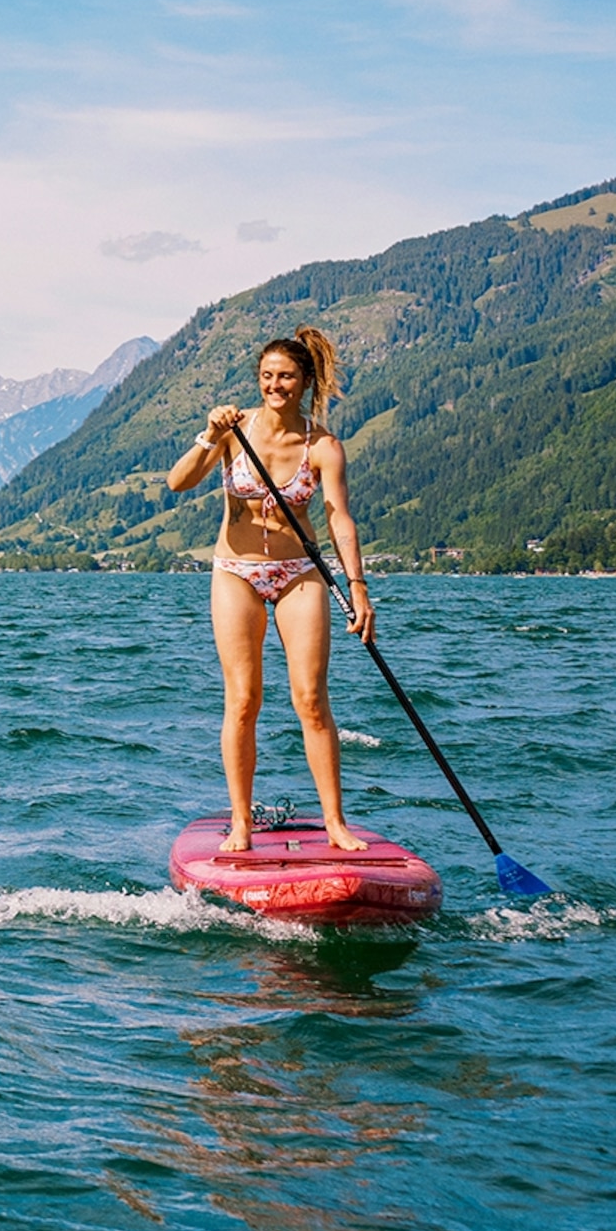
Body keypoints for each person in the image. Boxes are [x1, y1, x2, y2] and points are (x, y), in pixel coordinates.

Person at [164, 327, 376, 855]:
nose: (274, 385)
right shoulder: (235, 431)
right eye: (266, 376)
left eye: (285, 377)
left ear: (305, 382)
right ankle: (240, 821)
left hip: (299, 573)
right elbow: (178, 482)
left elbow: (338, 519)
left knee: (310, 699)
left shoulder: (323, 446)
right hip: (235, 571)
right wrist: (208, 434)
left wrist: (358, 586)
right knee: (243, 701)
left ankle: (335, 823)